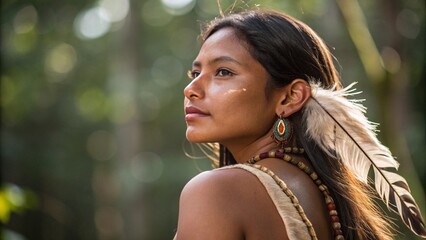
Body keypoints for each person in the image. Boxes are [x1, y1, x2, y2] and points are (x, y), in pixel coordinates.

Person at [174, 9, 426, 240]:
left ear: (289, 97)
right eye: (195, 74)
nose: (190, 89)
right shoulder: (327, 198)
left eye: (223, 72)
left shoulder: (214, 192)